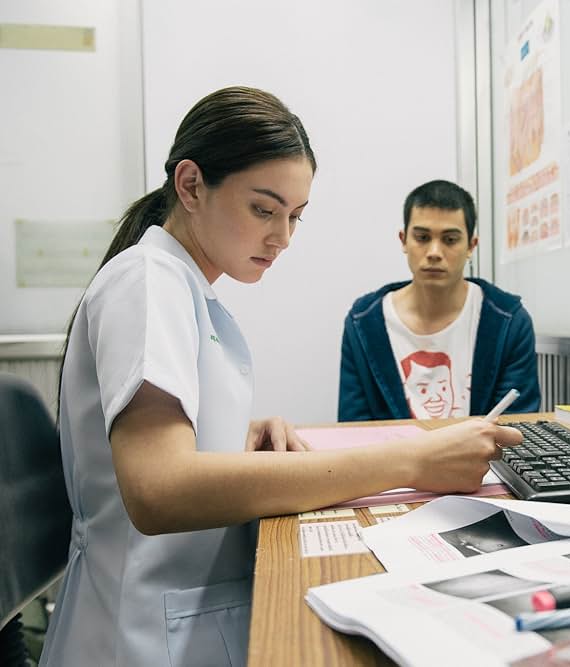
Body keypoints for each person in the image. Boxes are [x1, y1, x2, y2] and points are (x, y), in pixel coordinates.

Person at [41, 87, 522, 667]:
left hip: (179, 610)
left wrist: (233, 434)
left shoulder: (181, 285)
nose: (283, 237)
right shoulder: (149, 281)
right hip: (142, 634)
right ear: (191, 185)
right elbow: (157, 490)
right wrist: (412, 461)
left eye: (295, 216)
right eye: (264, 210)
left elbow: (156, 448)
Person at [338, 179, 541, 422]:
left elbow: (516, 425)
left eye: (450, 239)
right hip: (392, 460)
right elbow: (353, 430)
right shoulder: (365, 323)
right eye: (422, 238)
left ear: (471, 246)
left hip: (480, 460)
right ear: (404, 240)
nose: (434, 252)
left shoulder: (508, 321)